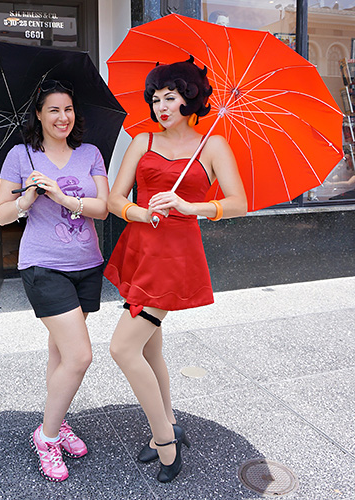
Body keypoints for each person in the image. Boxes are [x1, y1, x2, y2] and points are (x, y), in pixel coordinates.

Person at [104, 57, 247, 483]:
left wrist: (191, 206)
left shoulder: (213, 146)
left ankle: (165, 442)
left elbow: (237, 204)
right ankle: (167, 422)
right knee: (149, 349)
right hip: (139, 250)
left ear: (191, 98)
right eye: (155, 98)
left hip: (174, 260)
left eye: (170, 97)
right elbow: (114, 200)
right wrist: (139, 211)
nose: (160, 105)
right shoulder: (142, 141)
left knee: (122, 349)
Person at [0, 79, 109, 482]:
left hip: (87, 263)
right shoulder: (21, 156)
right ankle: (46, 437)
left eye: (69, 109)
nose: (63, 117)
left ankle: (55, 422)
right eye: (54, 110)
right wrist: (26, 199)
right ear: (39, 115)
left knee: (60, 355)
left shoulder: (91, 153)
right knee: (80, 356)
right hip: (43, 265)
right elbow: (1, 214)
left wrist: (63, 198)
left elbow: (103, 209)